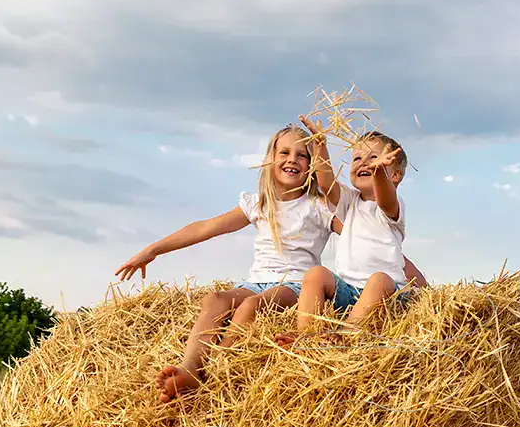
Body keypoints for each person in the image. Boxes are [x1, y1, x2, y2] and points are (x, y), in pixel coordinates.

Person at [115, 124, 333, 403]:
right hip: (255, 281)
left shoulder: (319, 206)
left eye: (302, 155)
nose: (292, 159)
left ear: (313, 165)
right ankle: (191, 367)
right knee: (216, 299)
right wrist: (153, 250)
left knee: (252, 306)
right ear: (270, 158)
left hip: (294, 283)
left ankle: (214, 374)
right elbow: (207, 227)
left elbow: (364, 234)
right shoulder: (259, 204)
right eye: (285, 152)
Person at [275, 130, 413, 345]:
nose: (364, 163)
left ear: (395, 175)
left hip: (387, 294)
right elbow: (326, 184)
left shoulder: (392, 206)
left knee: (379, 279)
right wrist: (320, 147)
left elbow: (385, 198)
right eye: (357, 158)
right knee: (316, 274)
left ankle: (345, 336)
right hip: (348, 292)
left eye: (373, 158)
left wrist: (379, 173)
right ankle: (308, 334)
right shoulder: (349, 202)